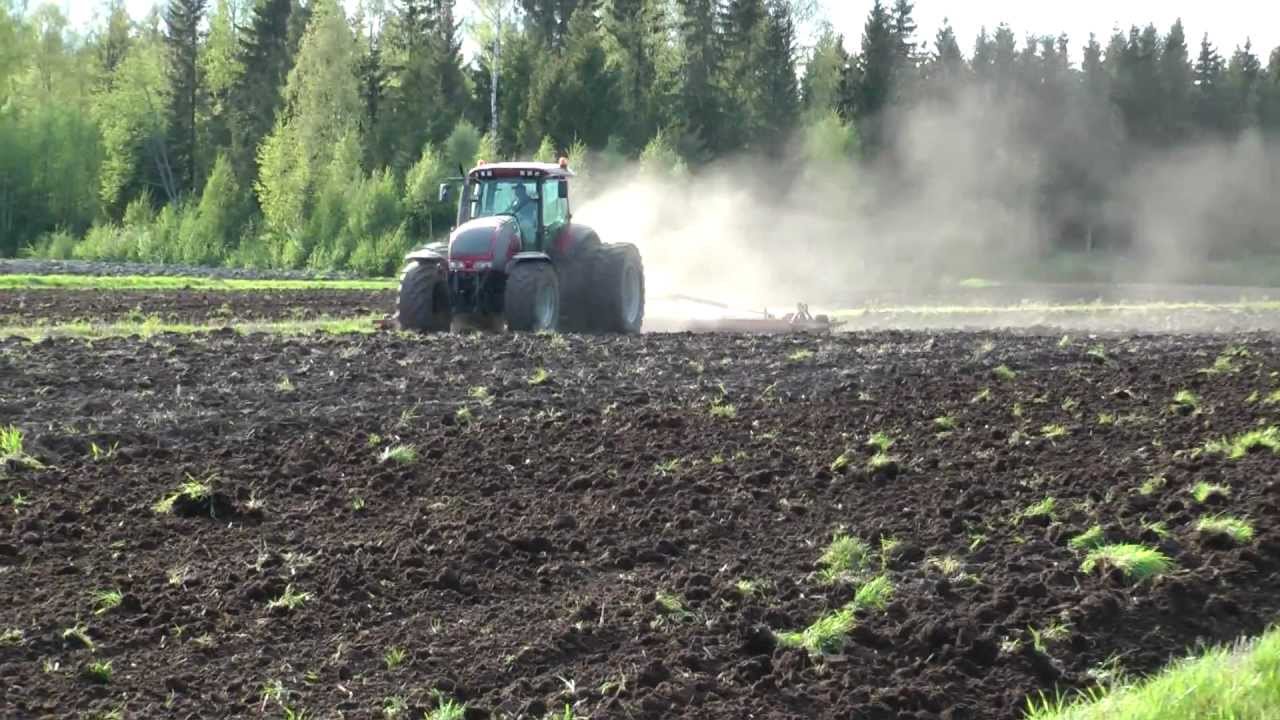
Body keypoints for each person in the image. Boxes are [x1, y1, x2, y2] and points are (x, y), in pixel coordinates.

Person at [509, 182, 538, 246]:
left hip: (528, 226)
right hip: (519, 224)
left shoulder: (529, 201)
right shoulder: (516, 202)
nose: (516, 192)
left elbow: (534, 214)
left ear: (522, 190)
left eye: (517, 189)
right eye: (515, 190)